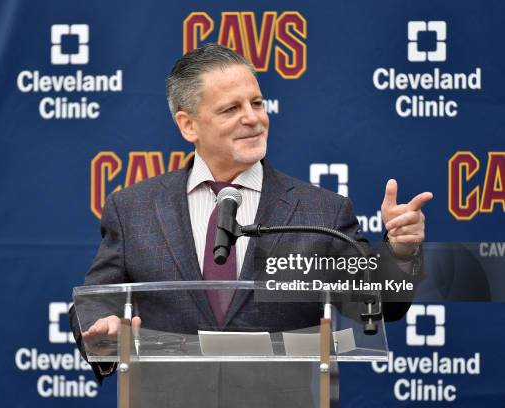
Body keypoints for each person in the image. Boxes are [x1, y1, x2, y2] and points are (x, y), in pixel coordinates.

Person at [69, 43, 432, 405]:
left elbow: (379, 302)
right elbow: (97, 300)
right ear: (188, 125)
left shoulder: (321, 212)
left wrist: (400, 251)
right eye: (231, 108)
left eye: (257, 103)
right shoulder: (134, 208)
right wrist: (103, 328)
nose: (253, 118)